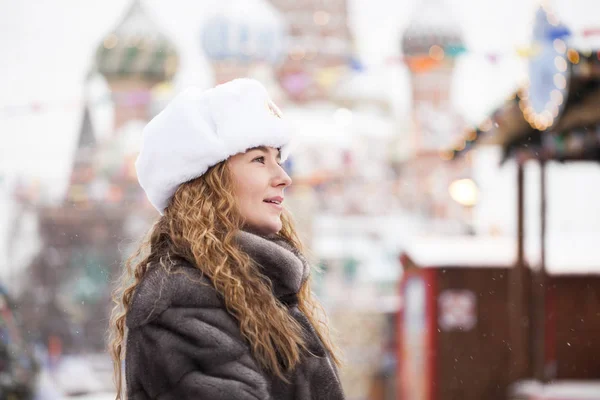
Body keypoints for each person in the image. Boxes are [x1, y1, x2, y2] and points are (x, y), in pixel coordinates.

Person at [108, 78, 345, 399]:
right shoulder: (181, 300)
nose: (284, 177)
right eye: (259, 159)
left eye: (279, 158)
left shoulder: (262, 290)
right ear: (208, 182)